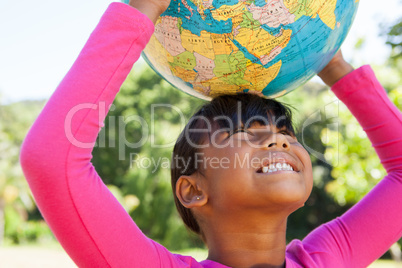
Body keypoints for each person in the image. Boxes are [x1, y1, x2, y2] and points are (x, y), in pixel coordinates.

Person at [19, 1, 402, 267]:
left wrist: (328, 59)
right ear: (193, 190)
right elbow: (51, 160)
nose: (280, 139)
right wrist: (144, 10)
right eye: (244, 131)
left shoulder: (324, 259)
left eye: (285, 129)